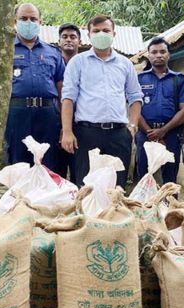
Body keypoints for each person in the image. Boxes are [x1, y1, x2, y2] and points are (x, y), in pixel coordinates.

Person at [60, 15, 143, 188]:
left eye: (106, 30)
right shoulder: (77, 62)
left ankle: (113, 215)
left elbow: (135, 97)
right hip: (87, 134)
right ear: (89, 35)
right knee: (87, 186)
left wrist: (133, 126)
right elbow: (68, 98)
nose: (101, 34)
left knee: (116, 187)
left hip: (118, 135)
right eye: (96, 31)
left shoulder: (125, 64)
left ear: (114, 34)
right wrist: (67, 131)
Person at [6, 3, 66, 174]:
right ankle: (19, 200)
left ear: (40, 21)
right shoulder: (6, 50)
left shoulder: (53, 52)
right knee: (18, 163)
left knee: (48, 163)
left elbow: (61, 89)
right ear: (14, 21)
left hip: (48, 114)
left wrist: (63, 123)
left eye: (33, 19)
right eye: (23, 19)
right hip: (17, 112)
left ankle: (45, 200)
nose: (29, 22)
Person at [136, 37, 184, 184]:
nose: (158, 55)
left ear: (168, 55)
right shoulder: (139, 79)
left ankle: (171, 206)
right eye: (154, 52)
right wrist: (151, 133)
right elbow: (134, 109)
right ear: (148, 55)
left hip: (172, 135)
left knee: (170, 179)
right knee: (144, 177)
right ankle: (145, 207)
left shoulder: (180, 79)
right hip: (145, 134)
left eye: (162, 51)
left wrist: (163, 131)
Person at [57, 23, 81, 182]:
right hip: (55, 124)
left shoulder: (86, 64)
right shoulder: (53, 63)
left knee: (78, 170)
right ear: (59, 41)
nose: (69, 40)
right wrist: (63, 127)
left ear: (79, 41)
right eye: (64, 37)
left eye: (73, 37)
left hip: (81, 125)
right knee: (56, 170)